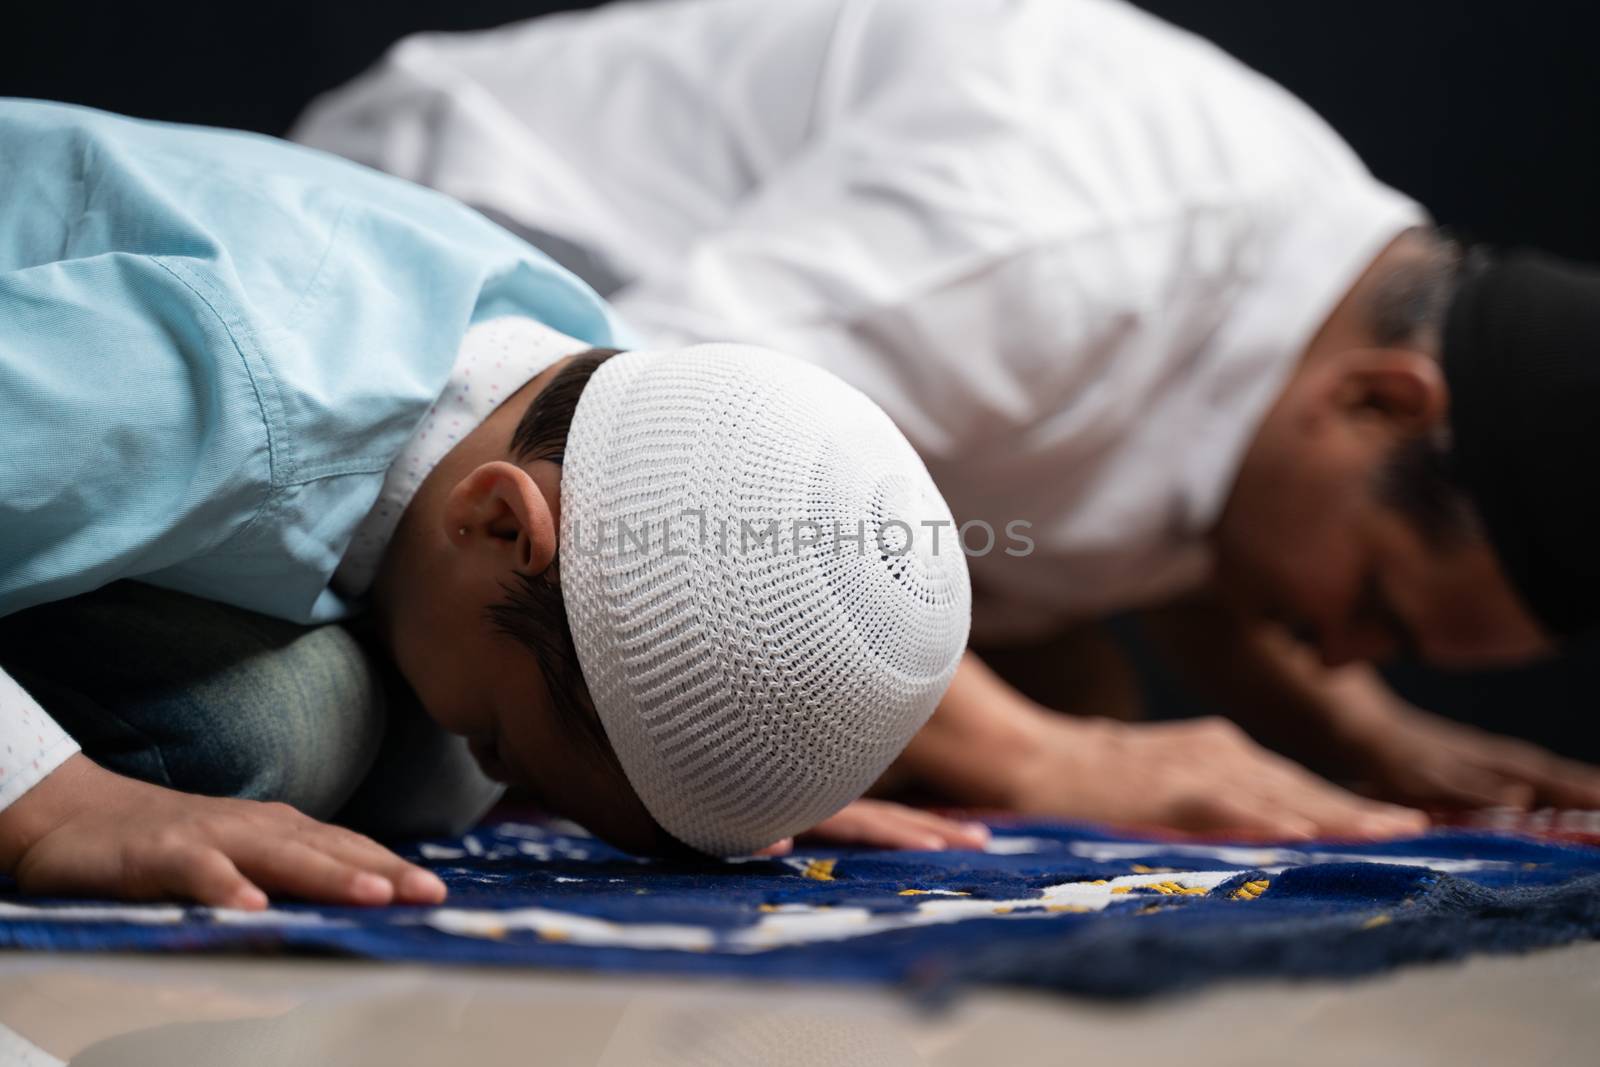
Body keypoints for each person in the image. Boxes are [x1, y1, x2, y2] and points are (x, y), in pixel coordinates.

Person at [295, 0, 1600, 836]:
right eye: (1374, 600)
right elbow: (639, 466)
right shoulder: (1056, 234)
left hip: (687, 479)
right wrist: (1045, 755)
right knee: (298, 738)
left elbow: (1189, 489)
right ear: (1380, 400)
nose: (1339, 643)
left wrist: (1356, 731)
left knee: (1090, 702)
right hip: (401, 345)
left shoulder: (1318, 302)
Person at [0, 98, 983, 910]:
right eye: (509, 745)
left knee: (422, 758)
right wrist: (47, 804)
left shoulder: (566, 365)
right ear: (502, 520)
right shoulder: (211, 383)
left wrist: (721, 774)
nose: (509, 774)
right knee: (278, 727)